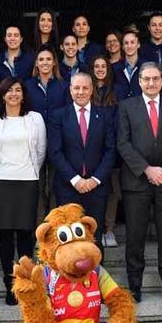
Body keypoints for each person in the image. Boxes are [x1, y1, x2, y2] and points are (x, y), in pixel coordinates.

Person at [116, 62, 162, 303]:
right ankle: (134, 284)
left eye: (155, 78)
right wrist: (146, 169)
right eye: (146, 79)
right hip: (137, 181)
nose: (151, 83)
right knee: (135, 235)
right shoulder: (126, 107)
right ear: (139, 81)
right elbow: (123, 143)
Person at [0, 77, 47, 305]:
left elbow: (40, 150)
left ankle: (27, 282)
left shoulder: (35, 119)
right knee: (6, 235)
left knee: (26, 235)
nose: (13, 94)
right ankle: (10, 284)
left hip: (27, 180)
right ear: (2, 95)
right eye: (9, 90)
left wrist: (29, 171)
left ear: (23, 94)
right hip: (1, 180)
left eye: (18, 90)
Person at [49, 72, 116, 249]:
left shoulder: (104, 116)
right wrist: (76, 180)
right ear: (70, 90)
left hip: (97, 188)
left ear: (92, 90)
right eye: (76, 88)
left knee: (94, 237)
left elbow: (110, 151)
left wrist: (95, 180)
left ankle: (96, 276)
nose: (80, 92)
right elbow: (55, 152)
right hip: (67, 188)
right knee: (69, 240)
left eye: (85, 88)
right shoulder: (58, 116)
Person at [24, 47, 70, 218]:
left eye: (48, 59)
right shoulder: (27, 86)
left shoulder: (63, 86)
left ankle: (54, 227)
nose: (45, 63)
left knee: (55, 187)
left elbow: (67, 115)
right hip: (33, 144)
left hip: (57, 143)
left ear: (54, 63)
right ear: (36, 63)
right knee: (37, 186)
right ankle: (39, 230)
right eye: (41, 59)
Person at [89, 54, 122, 247]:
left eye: (104, 66)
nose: (100, 69)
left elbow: (119, 120)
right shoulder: (87, 89)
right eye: (96, 66)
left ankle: (108, 230)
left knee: (112, 192)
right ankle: (93, 229)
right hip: (91, 149)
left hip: (112, 148)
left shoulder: (116, 91)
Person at [113, 30, 146, 100]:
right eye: (126, 43)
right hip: (121, 108)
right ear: (122, 47)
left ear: (138, 45)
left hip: (141, 108)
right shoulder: (114, 68)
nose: (129, 46)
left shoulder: (146, 67)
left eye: (132, 42)